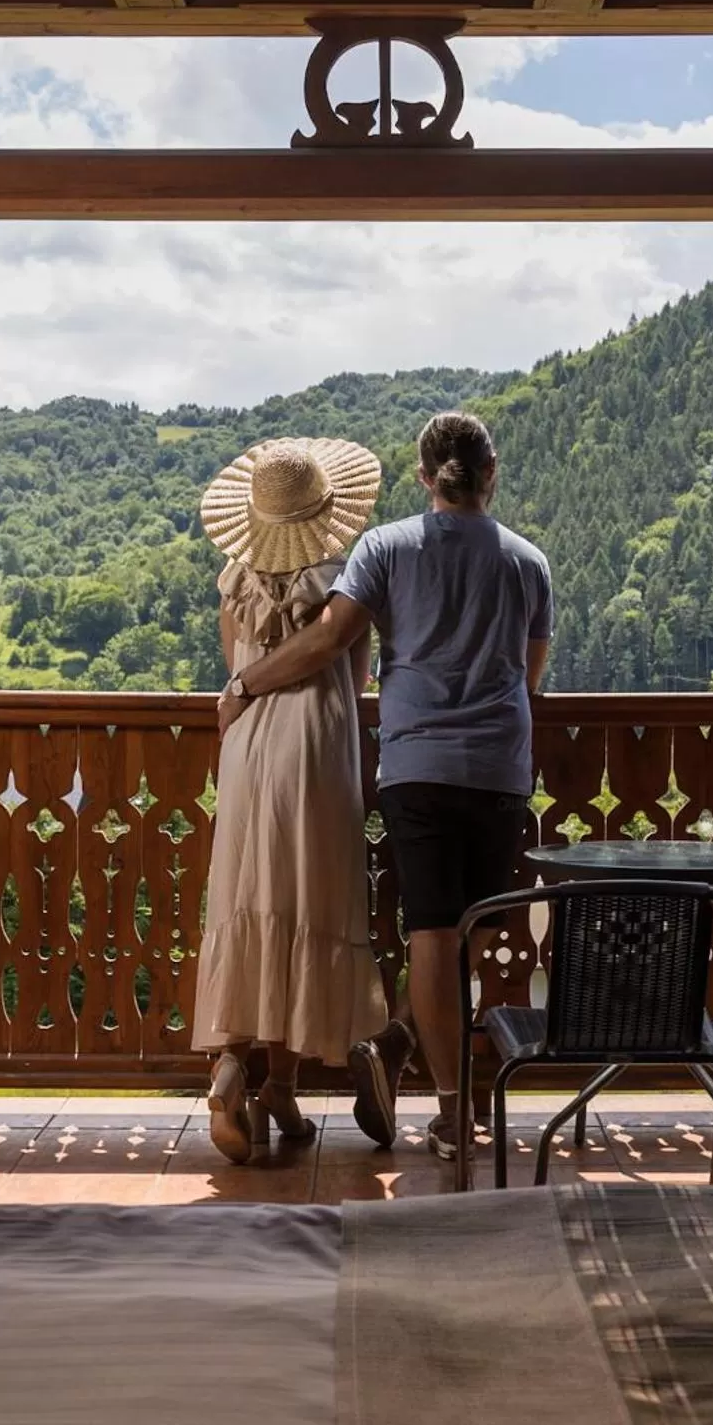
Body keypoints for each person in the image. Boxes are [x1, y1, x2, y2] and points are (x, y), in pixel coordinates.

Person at [218, 411, 552, 1161]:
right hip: (499, 766)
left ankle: (436, 1094)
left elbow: (332, 639)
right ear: (491, 474)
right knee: (475, 932)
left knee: (432, 935)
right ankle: (411, 1061)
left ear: (424, 477)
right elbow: (529, 677)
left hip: (415, 764)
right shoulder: (527, 563)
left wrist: (245, 683)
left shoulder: (385, 548)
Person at [193, 436, 395, 1163]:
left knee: (251, 899)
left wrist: (247, 687)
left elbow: (236, 664)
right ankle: (281, 1078)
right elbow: (353, 667)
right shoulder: (348, 578)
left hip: (246, 739)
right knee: (306, 902)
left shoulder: (234, 578)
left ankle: (235, 1075)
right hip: (317, 739)